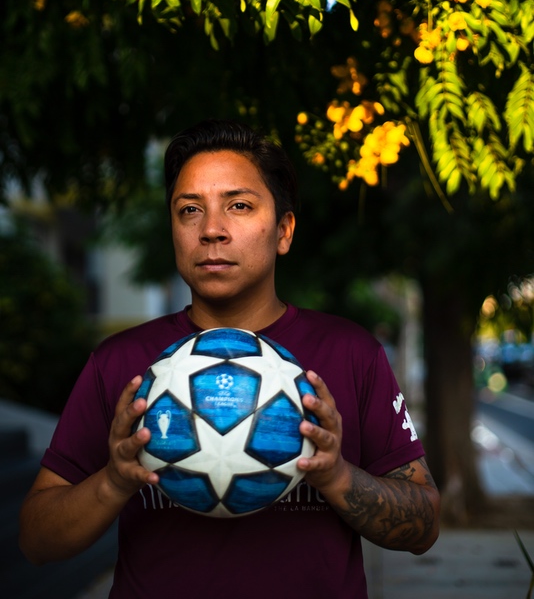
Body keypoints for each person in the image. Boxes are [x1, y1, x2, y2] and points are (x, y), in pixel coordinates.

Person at [19, 119, 440, 599]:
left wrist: (336, 474)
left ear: (284, 230)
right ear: (174, 230)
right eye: (189, 210)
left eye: (239, 206)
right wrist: (113, 480)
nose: (212, 230)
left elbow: (423, 526)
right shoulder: (122, 363)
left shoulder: (350, 353)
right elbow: (35, 542)